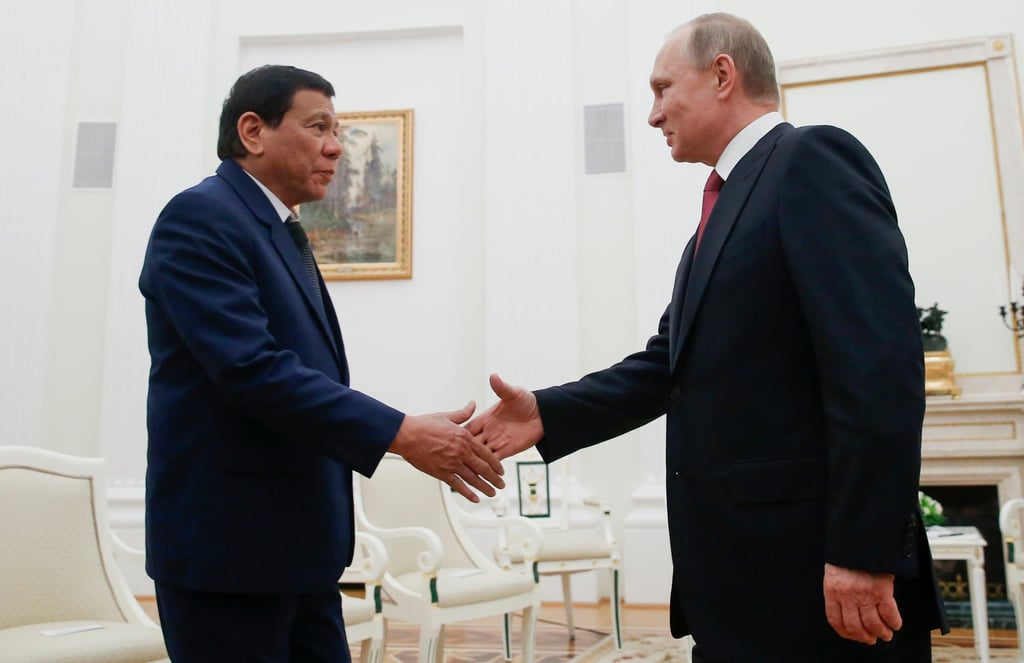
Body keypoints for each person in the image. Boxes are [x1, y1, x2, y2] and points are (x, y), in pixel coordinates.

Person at [468, 13, 947, 663]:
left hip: (816, 576)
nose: (652, 114)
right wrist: (548, 411)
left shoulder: (811, 159)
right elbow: (671, 363)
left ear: (723, 74)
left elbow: (878, 367)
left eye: (664, 88)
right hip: (741, 579)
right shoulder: (718, 212)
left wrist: (863, 551)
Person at [139, 64, 504, 663]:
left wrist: (402, 431)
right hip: (230, 554)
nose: (336, 146)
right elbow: (253, 370)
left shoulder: (278, 229)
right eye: (318, 127)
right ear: (253, 131)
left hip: (298, 550)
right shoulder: (200, 217)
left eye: (337, 130)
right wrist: (403, 433)